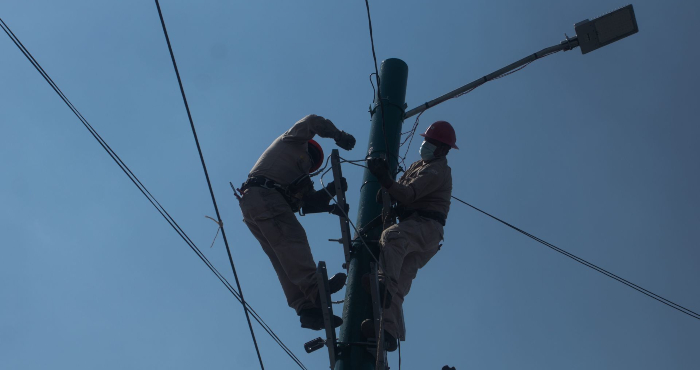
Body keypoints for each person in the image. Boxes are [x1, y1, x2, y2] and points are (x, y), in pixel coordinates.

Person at [237, 114, 356, 330]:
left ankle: (307, 309)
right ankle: (316, 288)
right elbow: (313, 121)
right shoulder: (293, 141)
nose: (308, 165)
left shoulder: (296, 176)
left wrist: (331, 197)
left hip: (254, 202)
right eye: (309, 161)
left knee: (282, 257)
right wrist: (338, 135)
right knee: (292, 239)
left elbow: (308, 204)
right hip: (265, 194)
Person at [364, 120, 458, 350]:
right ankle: (388, 331)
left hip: (426, 228)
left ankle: (383, 285)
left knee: (393, 237)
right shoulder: (419, 165)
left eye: (432, 142)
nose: (426, 144)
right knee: (401, 281)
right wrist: (387, 190)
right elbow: (400, 193)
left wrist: (386, 181)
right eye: (426, 140)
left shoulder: (437, 170)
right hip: (420, 230)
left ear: (443, 150)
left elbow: (407, 195)